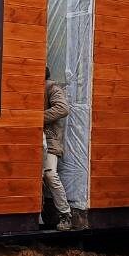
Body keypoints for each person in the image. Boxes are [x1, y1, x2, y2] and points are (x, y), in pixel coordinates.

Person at [43, 67, 72, 231]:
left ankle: (65, 214)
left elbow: (63, 108)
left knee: (50, 174)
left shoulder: (52, 87)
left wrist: (36, 117)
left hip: (50, 139)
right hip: (34, 138)